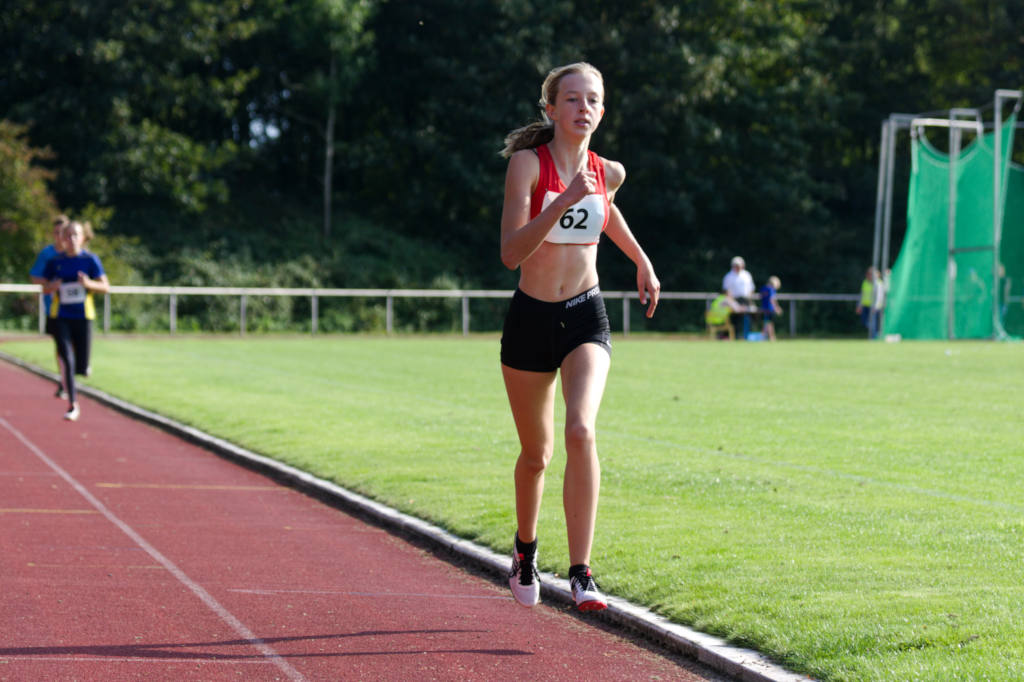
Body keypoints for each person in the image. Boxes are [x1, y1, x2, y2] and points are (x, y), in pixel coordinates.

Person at [498, 62, 660, 612]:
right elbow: (510, 252)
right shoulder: (528, 165)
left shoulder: (607, 171)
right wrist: (564, 198)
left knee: (581, 430)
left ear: (602, 111)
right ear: (551, 109)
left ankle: (582, 572)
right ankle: (524, 551)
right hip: (529, 319)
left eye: (592, 99)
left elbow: (608, 214)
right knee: (536, 455)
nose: (582, 107)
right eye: (571, 98)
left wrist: (641, 261)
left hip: (585, 313)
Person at [41, 221, 109, 421]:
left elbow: (105, 286)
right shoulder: (55, 261)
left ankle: (83, 367)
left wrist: (88, 283)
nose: (71, 239)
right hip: (61, 316)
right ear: (62, 239)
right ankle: (73, 404)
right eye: (67, 235)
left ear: (82, 238)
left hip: (83, 317)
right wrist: (53, 285)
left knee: (81, 367)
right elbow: (44, 287)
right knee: (67, 360)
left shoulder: (90, 260)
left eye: (75, 235)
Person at [29, 214, 71, 397]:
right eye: (56, 232)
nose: (59, 236)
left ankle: (71, 376)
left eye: (63, 232)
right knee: (61, 345)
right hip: (54, 307)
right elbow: (35, 277)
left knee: (75, 345)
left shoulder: (78, 254)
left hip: (77, 308)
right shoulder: (47, 254)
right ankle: (64, 380)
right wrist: (50, 284)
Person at [722, 256, 755, 338]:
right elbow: (727, 292)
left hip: (746, 300)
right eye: (736, 265)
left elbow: (751, 289)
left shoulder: (747, 275)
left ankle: (748, 335)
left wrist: (748, 300)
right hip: (734, 300)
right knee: (736, 319)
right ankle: (736, 336)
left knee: (751, 315)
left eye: (739, 265)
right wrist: (735, 304)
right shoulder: (728, 276)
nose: (737, 267)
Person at [759, 276, 783, 341]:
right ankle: (771, 337)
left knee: (766, 322)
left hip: (764, 308)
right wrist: (777, 308)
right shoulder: (771, 289)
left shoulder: (763, 288)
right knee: (770, 323)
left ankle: (765, 336)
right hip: (769, 309)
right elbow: (772, 299)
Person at [856, 267, 875, 335]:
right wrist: (859, 306)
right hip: (864, 305)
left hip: (872, 306)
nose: (868, 276)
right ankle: (872, 331)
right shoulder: (864, 282)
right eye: (868, 274)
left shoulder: (876, 284)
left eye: (870, 274)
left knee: (874, 323)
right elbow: (861, 295)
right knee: (864, 322)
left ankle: (874, 336)